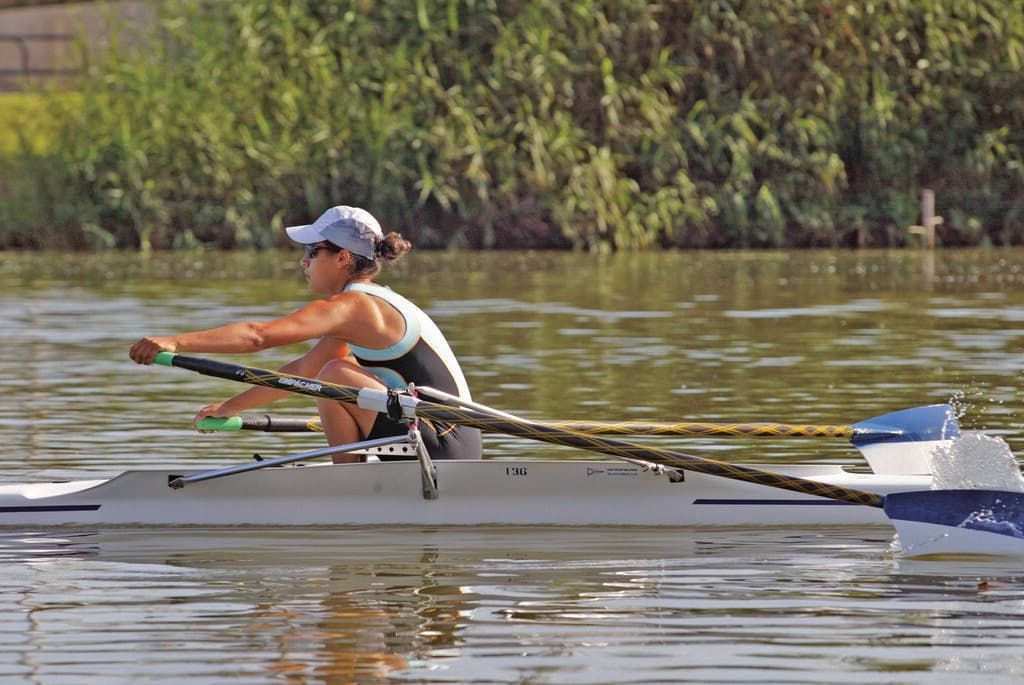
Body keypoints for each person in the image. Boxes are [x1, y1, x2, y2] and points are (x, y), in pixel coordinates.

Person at [128, 205, 482, 461]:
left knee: (334, 376)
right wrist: (228, 408)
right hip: (451, 445)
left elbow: (257, 337)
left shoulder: (355, 306)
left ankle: (351, 489)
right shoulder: (367, 308)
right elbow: (302, 371)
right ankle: (356, 484)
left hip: (443, 445)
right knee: (327, 370)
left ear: (343, 257)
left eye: (313, 251)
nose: (304, 261)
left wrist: (174, 342)